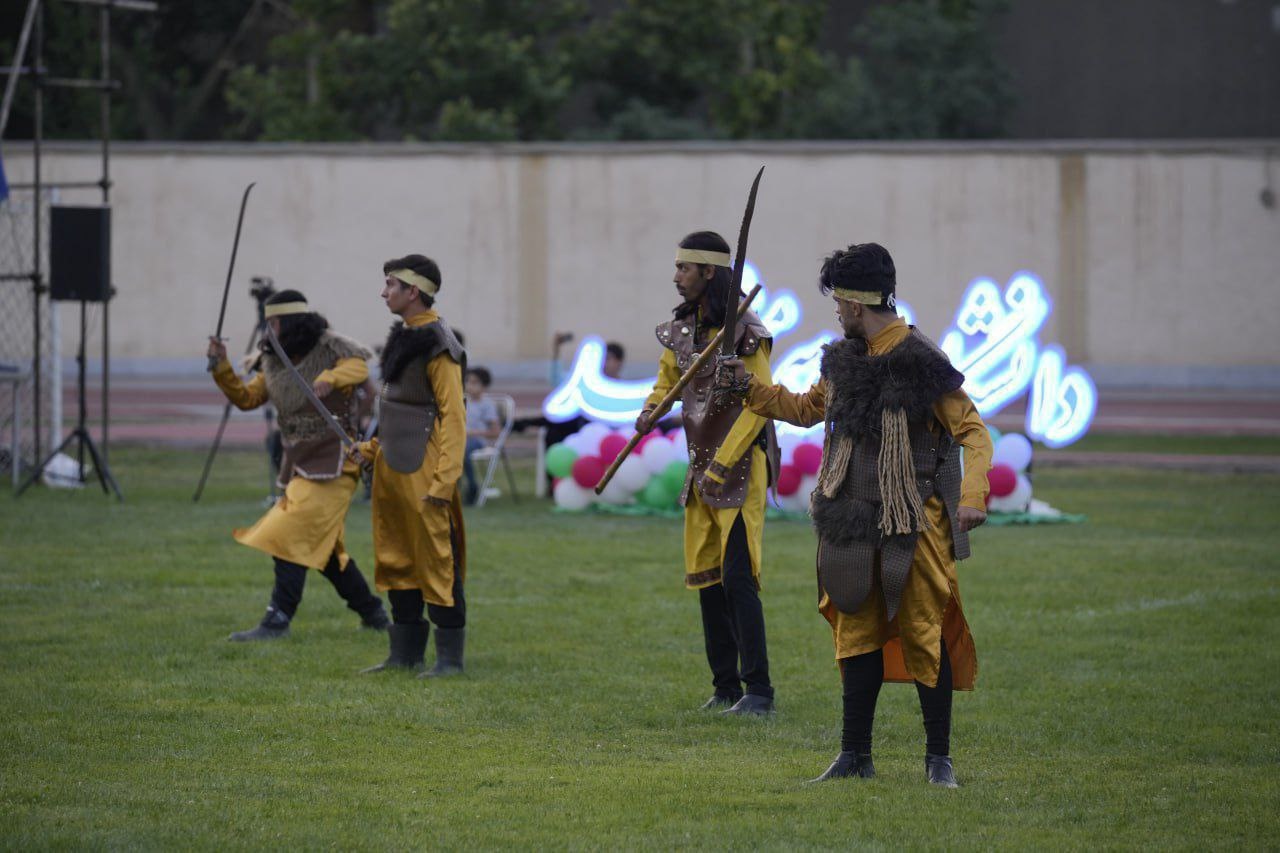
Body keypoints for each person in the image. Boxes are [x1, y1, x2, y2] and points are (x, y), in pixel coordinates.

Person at [716, 242, 992, 786]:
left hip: (913, 523)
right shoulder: (842, 360)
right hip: (848, 519)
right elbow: (806, 408)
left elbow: (973, 433)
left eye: (838, 302)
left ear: (855, 304)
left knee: (922, 630)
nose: (836, 312)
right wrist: (750, 389)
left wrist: (971, 497)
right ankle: (854, 757)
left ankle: (939, 761)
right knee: (856, 632)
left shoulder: (921, 362)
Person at [635, 230, 779, 716]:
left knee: (739, 579)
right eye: (676, 267)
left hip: (741, 467)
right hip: (701, 466)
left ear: (709, 273)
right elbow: (666, 381)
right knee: (707, 579)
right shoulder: (681, 330)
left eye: (684, 268)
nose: (676, 276)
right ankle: (725, 687)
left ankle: (758, 690)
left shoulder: (747, 330)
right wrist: (651, 408)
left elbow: (761, 403)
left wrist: (724, 461)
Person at [206, 289, 389, 641]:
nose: (268, 329)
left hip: (336, 463)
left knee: (287, 533)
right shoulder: (273, 361)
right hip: (299, 463)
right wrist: (221, 367)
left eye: (273, 322)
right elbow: (246, 398)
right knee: (329, 554)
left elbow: (358, 366)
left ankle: (277, 621)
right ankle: (375, 615)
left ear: (289, 323)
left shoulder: (331, 347)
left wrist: (329, 378)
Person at [355, 254, 469, 677]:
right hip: (392, 472)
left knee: (436, 561)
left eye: (390, 285)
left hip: (426, 473)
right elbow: (397, 410)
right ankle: (403, 654)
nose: (383, 293)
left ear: (413, 291)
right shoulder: (404, 336)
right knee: (397, 558)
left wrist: (443, 483)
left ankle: (449, 660)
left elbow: (454, 416)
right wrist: (371, 449)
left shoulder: (440, 343)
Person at [462, 366, 501, 505]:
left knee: (461, 450)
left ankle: (472, 486)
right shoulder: (462, 401)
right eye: (468, 381)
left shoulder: (487, 404)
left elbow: (495, 432)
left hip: (477, 441)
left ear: (484, 386)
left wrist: (473, 433)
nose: (470, 385)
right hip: (461, 439)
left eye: (475, 382)